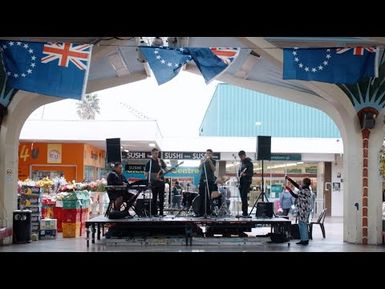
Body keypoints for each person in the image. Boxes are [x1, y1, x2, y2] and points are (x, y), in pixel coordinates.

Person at [285, 176, 312, 245]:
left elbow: (295, 195)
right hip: (303, 209)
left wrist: (289, 190)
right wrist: (289, 179)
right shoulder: (306, 189)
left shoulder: (304, 191)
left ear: (305, 183)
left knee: (303, 224)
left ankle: (305, 240)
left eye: (302, 182)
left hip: (304, 210)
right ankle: (303, 239)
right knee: (302, 223)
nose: (301, 183)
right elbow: (297, 185)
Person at [144, 148, 167, 217]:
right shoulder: (149, 162)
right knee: (154, 198)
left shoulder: (161, 161)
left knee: (161, 198)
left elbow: (165, 169)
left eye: (157, 153)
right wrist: (154, 176)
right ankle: (154, 213)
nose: (156, 155)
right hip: (154, 183)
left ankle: (161, 213)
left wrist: (164, 171)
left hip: (161, 182)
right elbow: (145, 173)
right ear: (152, 153)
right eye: (155, 153)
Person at [197, 149, 216, 217]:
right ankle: (200, 212)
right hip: (202, 179)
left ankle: (208, 212)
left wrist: (209, 161)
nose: (208, 154)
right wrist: (203, 161)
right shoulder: (203, 160)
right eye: (207, 153)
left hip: (210, 180)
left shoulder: (213, 161)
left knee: (208, 196)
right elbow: (199, 168)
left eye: (209, 153)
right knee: (201, 196)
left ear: (211, 154)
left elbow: (214, 169)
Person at [238, 150, 254, 217]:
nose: (241, 158)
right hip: (241, 182)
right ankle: (243, 212)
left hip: (246, 182)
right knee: (242, 197)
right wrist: (239, 175)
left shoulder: (249, 163)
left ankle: (245, 213)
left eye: (242, 156)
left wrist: (245, 174)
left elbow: (251, 173)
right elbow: (239, 172)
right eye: (240, 157)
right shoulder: (241, 163)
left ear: (244, 155)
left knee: (244, 196)